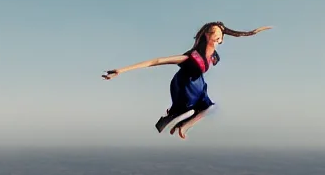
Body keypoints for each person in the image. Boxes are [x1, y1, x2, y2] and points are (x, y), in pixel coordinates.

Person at [101, 21, 271, 139]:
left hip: (199, 85)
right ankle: (176, 116)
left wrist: (255, 31)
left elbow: (240, 35)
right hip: (184, 85)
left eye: (221, 36)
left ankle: (182, 126)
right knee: (186, 107)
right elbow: (157, 61)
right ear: (207, 36)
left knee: (211, 108)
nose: (220, 39)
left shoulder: (213, 56)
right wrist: (121, 71)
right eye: (216, 35)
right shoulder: (191, 57)